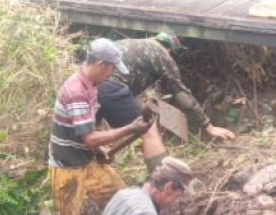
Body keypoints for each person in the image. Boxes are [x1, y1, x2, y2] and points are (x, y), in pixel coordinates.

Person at [49, 38, 153, 215]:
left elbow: (91, 128)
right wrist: (129, 128)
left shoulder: (91, 86)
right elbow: (88, 137)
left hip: (87, 162)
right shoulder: (76, 91)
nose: (112, 75)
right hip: (67, 169)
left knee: (121, 200)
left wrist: (101, 149)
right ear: (100, 64)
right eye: (111, 69)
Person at [96, 33, 236, 173]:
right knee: (147, 128)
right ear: (169, 49)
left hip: (87, 86)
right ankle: (159, 180)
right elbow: (182, 96)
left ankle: (93, 165)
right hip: (110, 87)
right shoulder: (160, 53)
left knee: (93, 130)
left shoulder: (132, 44)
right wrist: (208, 126)